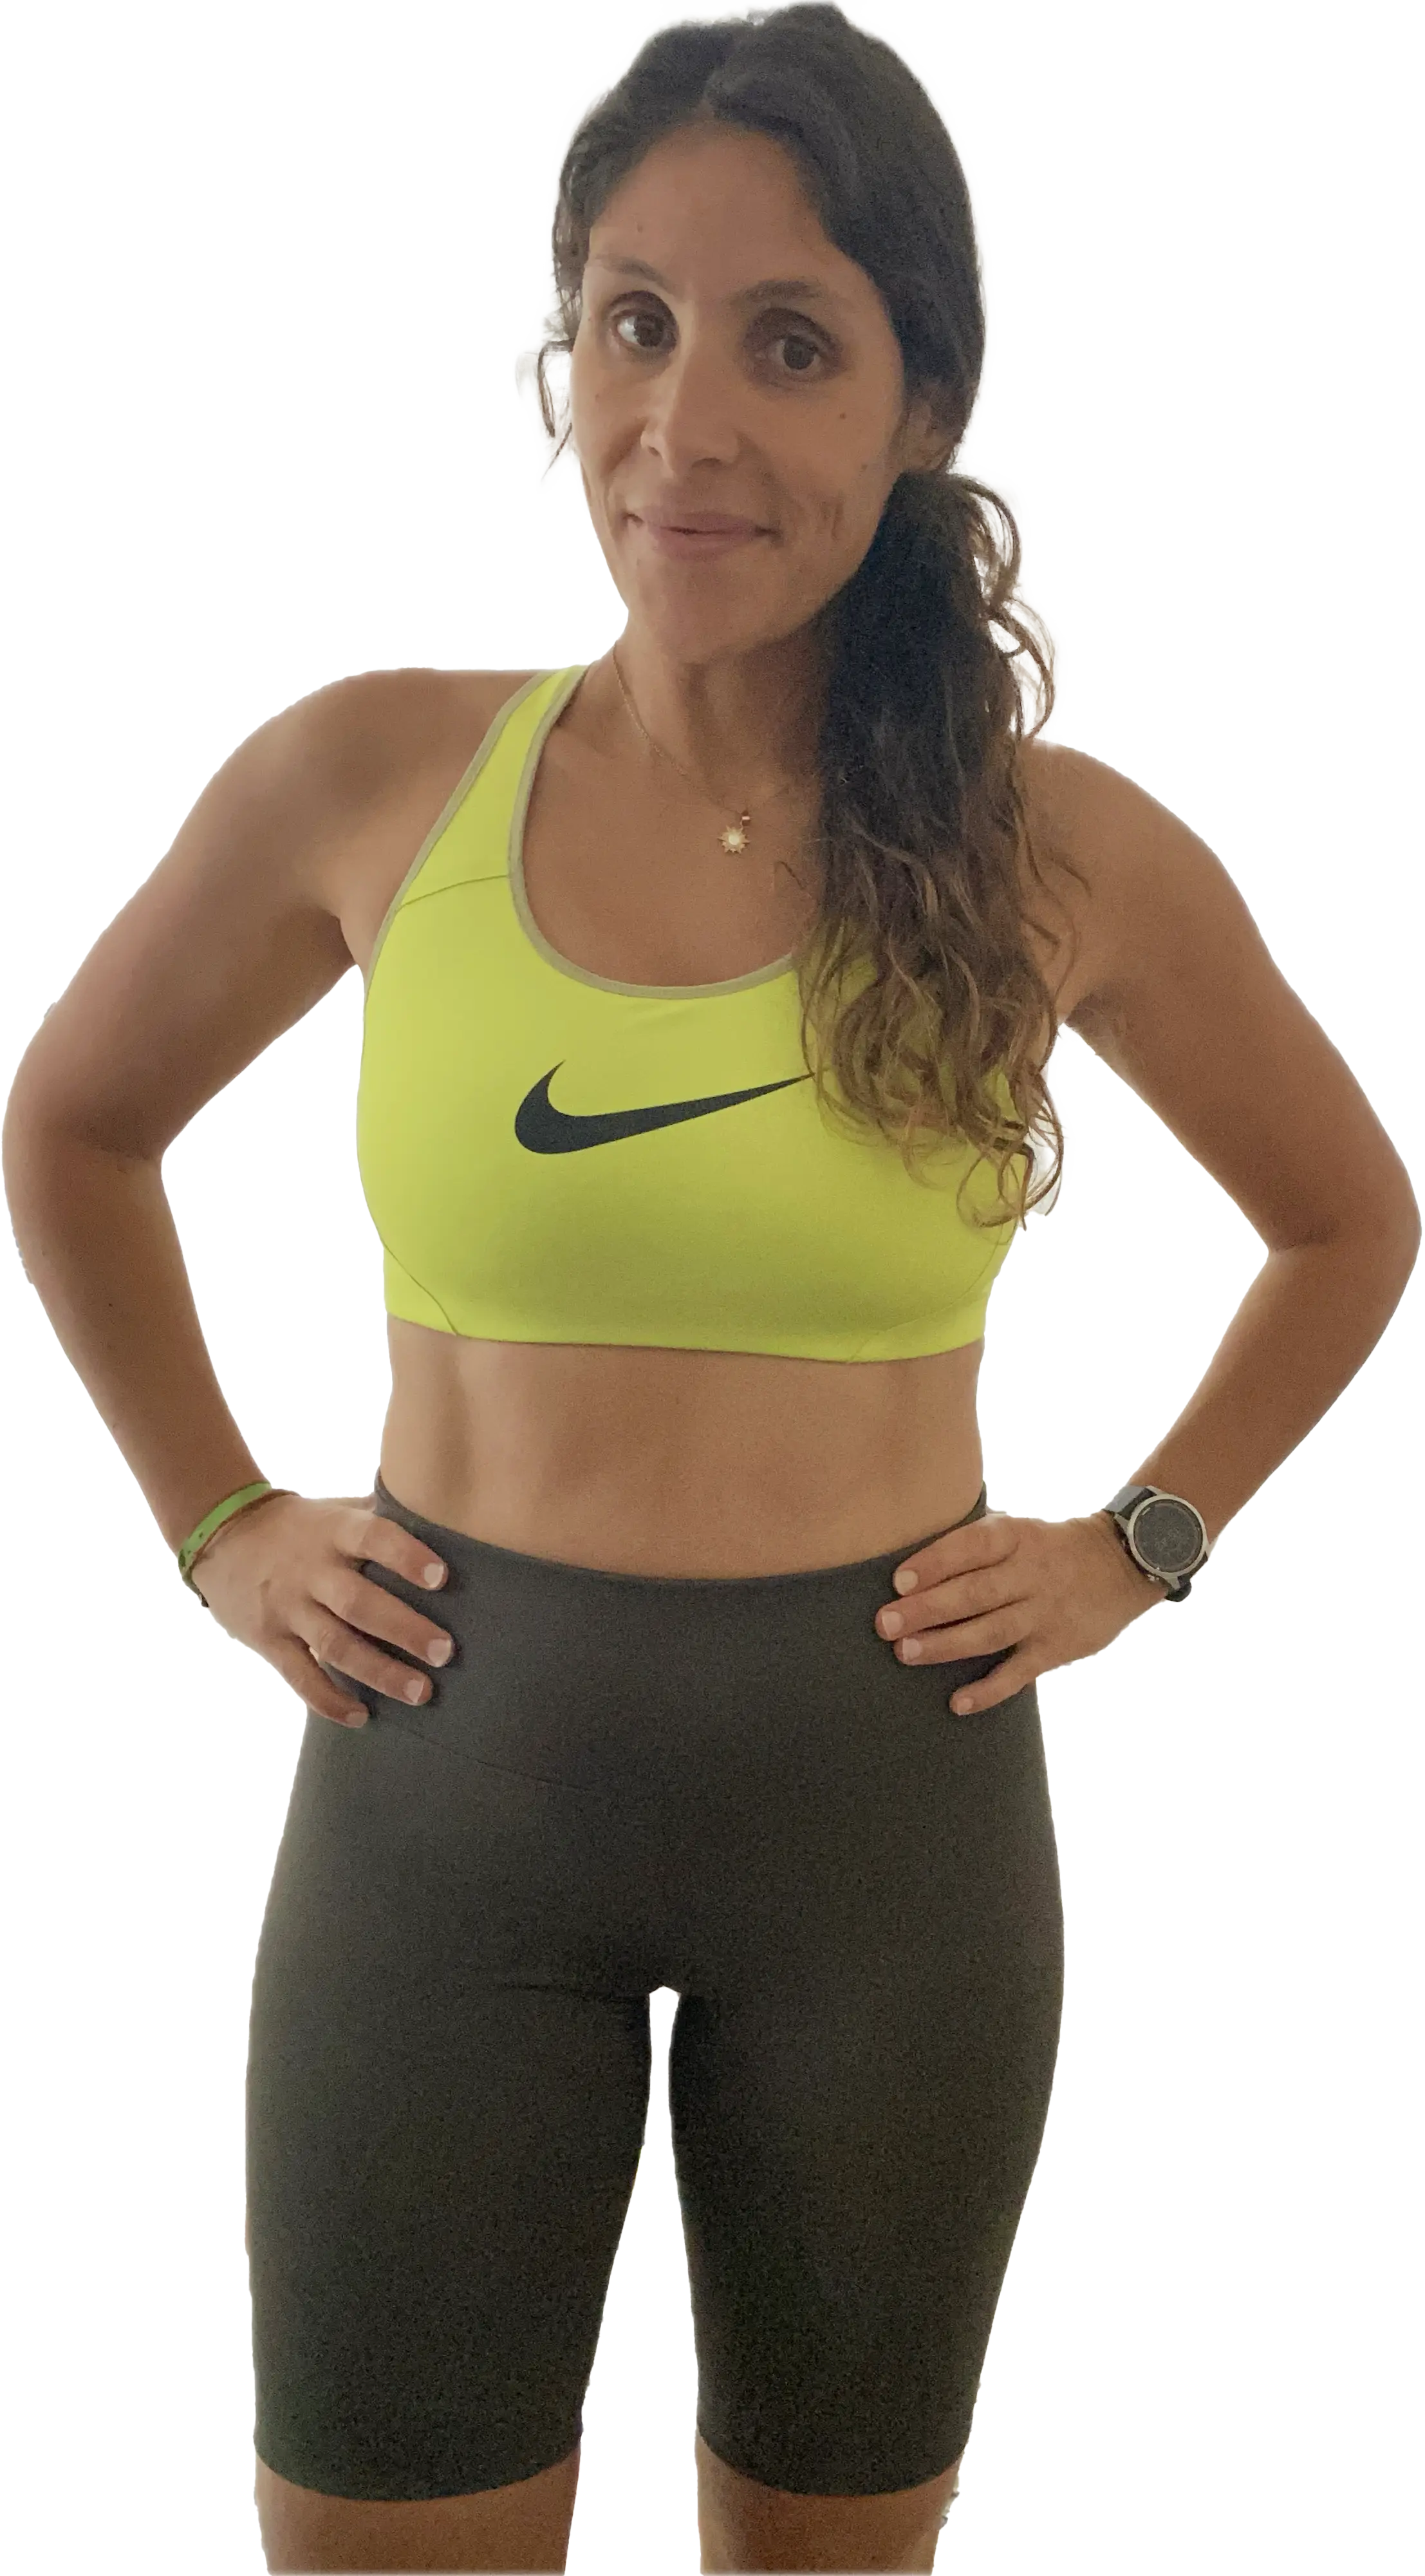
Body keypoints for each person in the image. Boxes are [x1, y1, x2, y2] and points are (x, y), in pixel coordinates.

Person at [3, 9, 1417, 2573]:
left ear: (922, 402)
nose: (684, 420)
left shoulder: (1059, 851)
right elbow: (71, 1128)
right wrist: (216, 1519)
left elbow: (1349, 1219)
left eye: (791, 343)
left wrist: (1146, 1540)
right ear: (563, 352)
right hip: (448, 1799)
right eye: (633, 323)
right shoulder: (371, 774)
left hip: (884, 1827)